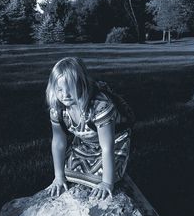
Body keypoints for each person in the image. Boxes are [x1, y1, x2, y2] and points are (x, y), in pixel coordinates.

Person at [45, 57, 132, 200]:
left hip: (114, 142)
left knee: (100, 176)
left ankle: (110, 172)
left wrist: (107, 183)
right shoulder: (58, 110)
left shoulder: (100, 107)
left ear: (82, 85)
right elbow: (58, 143)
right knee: (66, 171)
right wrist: (58, 177)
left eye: (70, 89)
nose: (65, 95)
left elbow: (107, 147)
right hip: (86, 143)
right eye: (59, 89)